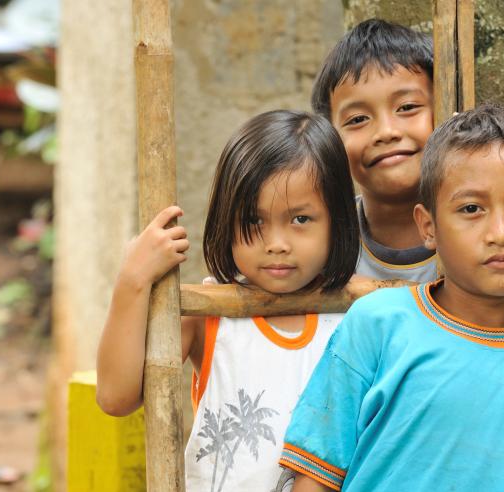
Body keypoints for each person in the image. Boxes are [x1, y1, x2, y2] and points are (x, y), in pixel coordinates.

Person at [279, 104, 504, 491]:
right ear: (428, 227)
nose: (500, 232)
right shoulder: (377, 324)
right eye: (471, 208)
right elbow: (314, 477)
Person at [96, 110, 360, 491]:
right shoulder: (209, 316)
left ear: (337, 220)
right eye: (254, 221)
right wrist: (133, 280)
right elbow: (115, 397)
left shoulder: (355, 314)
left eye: (300, 219)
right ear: (226, 221)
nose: (276, 243)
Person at [312, 18, 504, 308]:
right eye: (357, 120)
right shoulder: (321, 242)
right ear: (329, 139)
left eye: (407, 107)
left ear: (445, 113)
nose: (386, 132)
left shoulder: (495, 236)